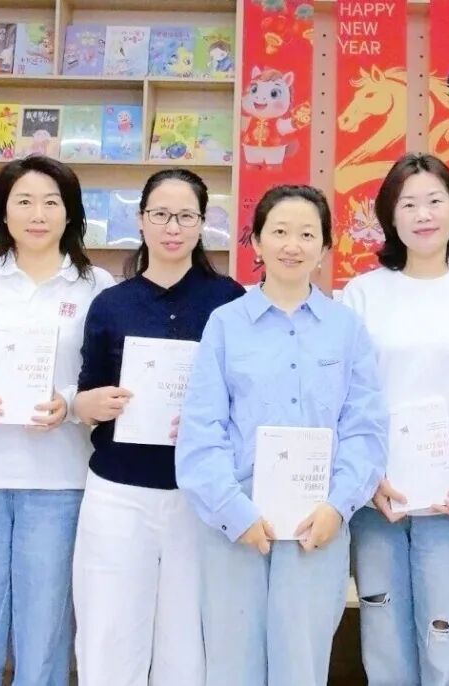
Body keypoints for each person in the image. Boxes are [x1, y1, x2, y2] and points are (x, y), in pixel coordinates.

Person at [175, 184, 387, 686]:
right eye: (280, 232)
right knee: (232, 666)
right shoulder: (225, 324)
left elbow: (365, 429)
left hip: (318, 524)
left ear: (325, 247)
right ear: (257, 241)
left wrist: (338, 505)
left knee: (302, 665)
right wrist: (234, 511)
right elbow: (201, 430)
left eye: (307, 234)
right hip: (237, 524)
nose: (293, 245)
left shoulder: (346, 329)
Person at [0, 155, 116, 685]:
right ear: (3, 213)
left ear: (70, 213)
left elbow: (105, 373)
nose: (38, 214)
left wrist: (68, 402)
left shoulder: (96, 285)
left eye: (52, 202)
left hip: (59, 479)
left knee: (46, 625)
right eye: (25, 202)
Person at [340, 152, 449, 686]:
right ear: (389, 217)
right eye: (408, 203)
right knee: (383, 640)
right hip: (378, 496)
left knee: (447, 642)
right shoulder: (362, 294)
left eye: (434, 201)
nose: (423, 214)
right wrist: (364, 476)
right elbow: (344, 394)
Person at [71, 168, 245, 685]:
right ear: (141, 220)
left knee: (187, 642)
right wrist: (89, 403)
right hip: (119, 490)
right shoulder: (111, 303)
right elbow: (86, 391)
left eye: (186, 216)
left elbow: (247, 396)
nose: (173, 227)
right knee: (109, 632)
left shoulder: (230, 301)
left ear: (203, 223)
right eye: (161, 214)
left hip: (199, 495)